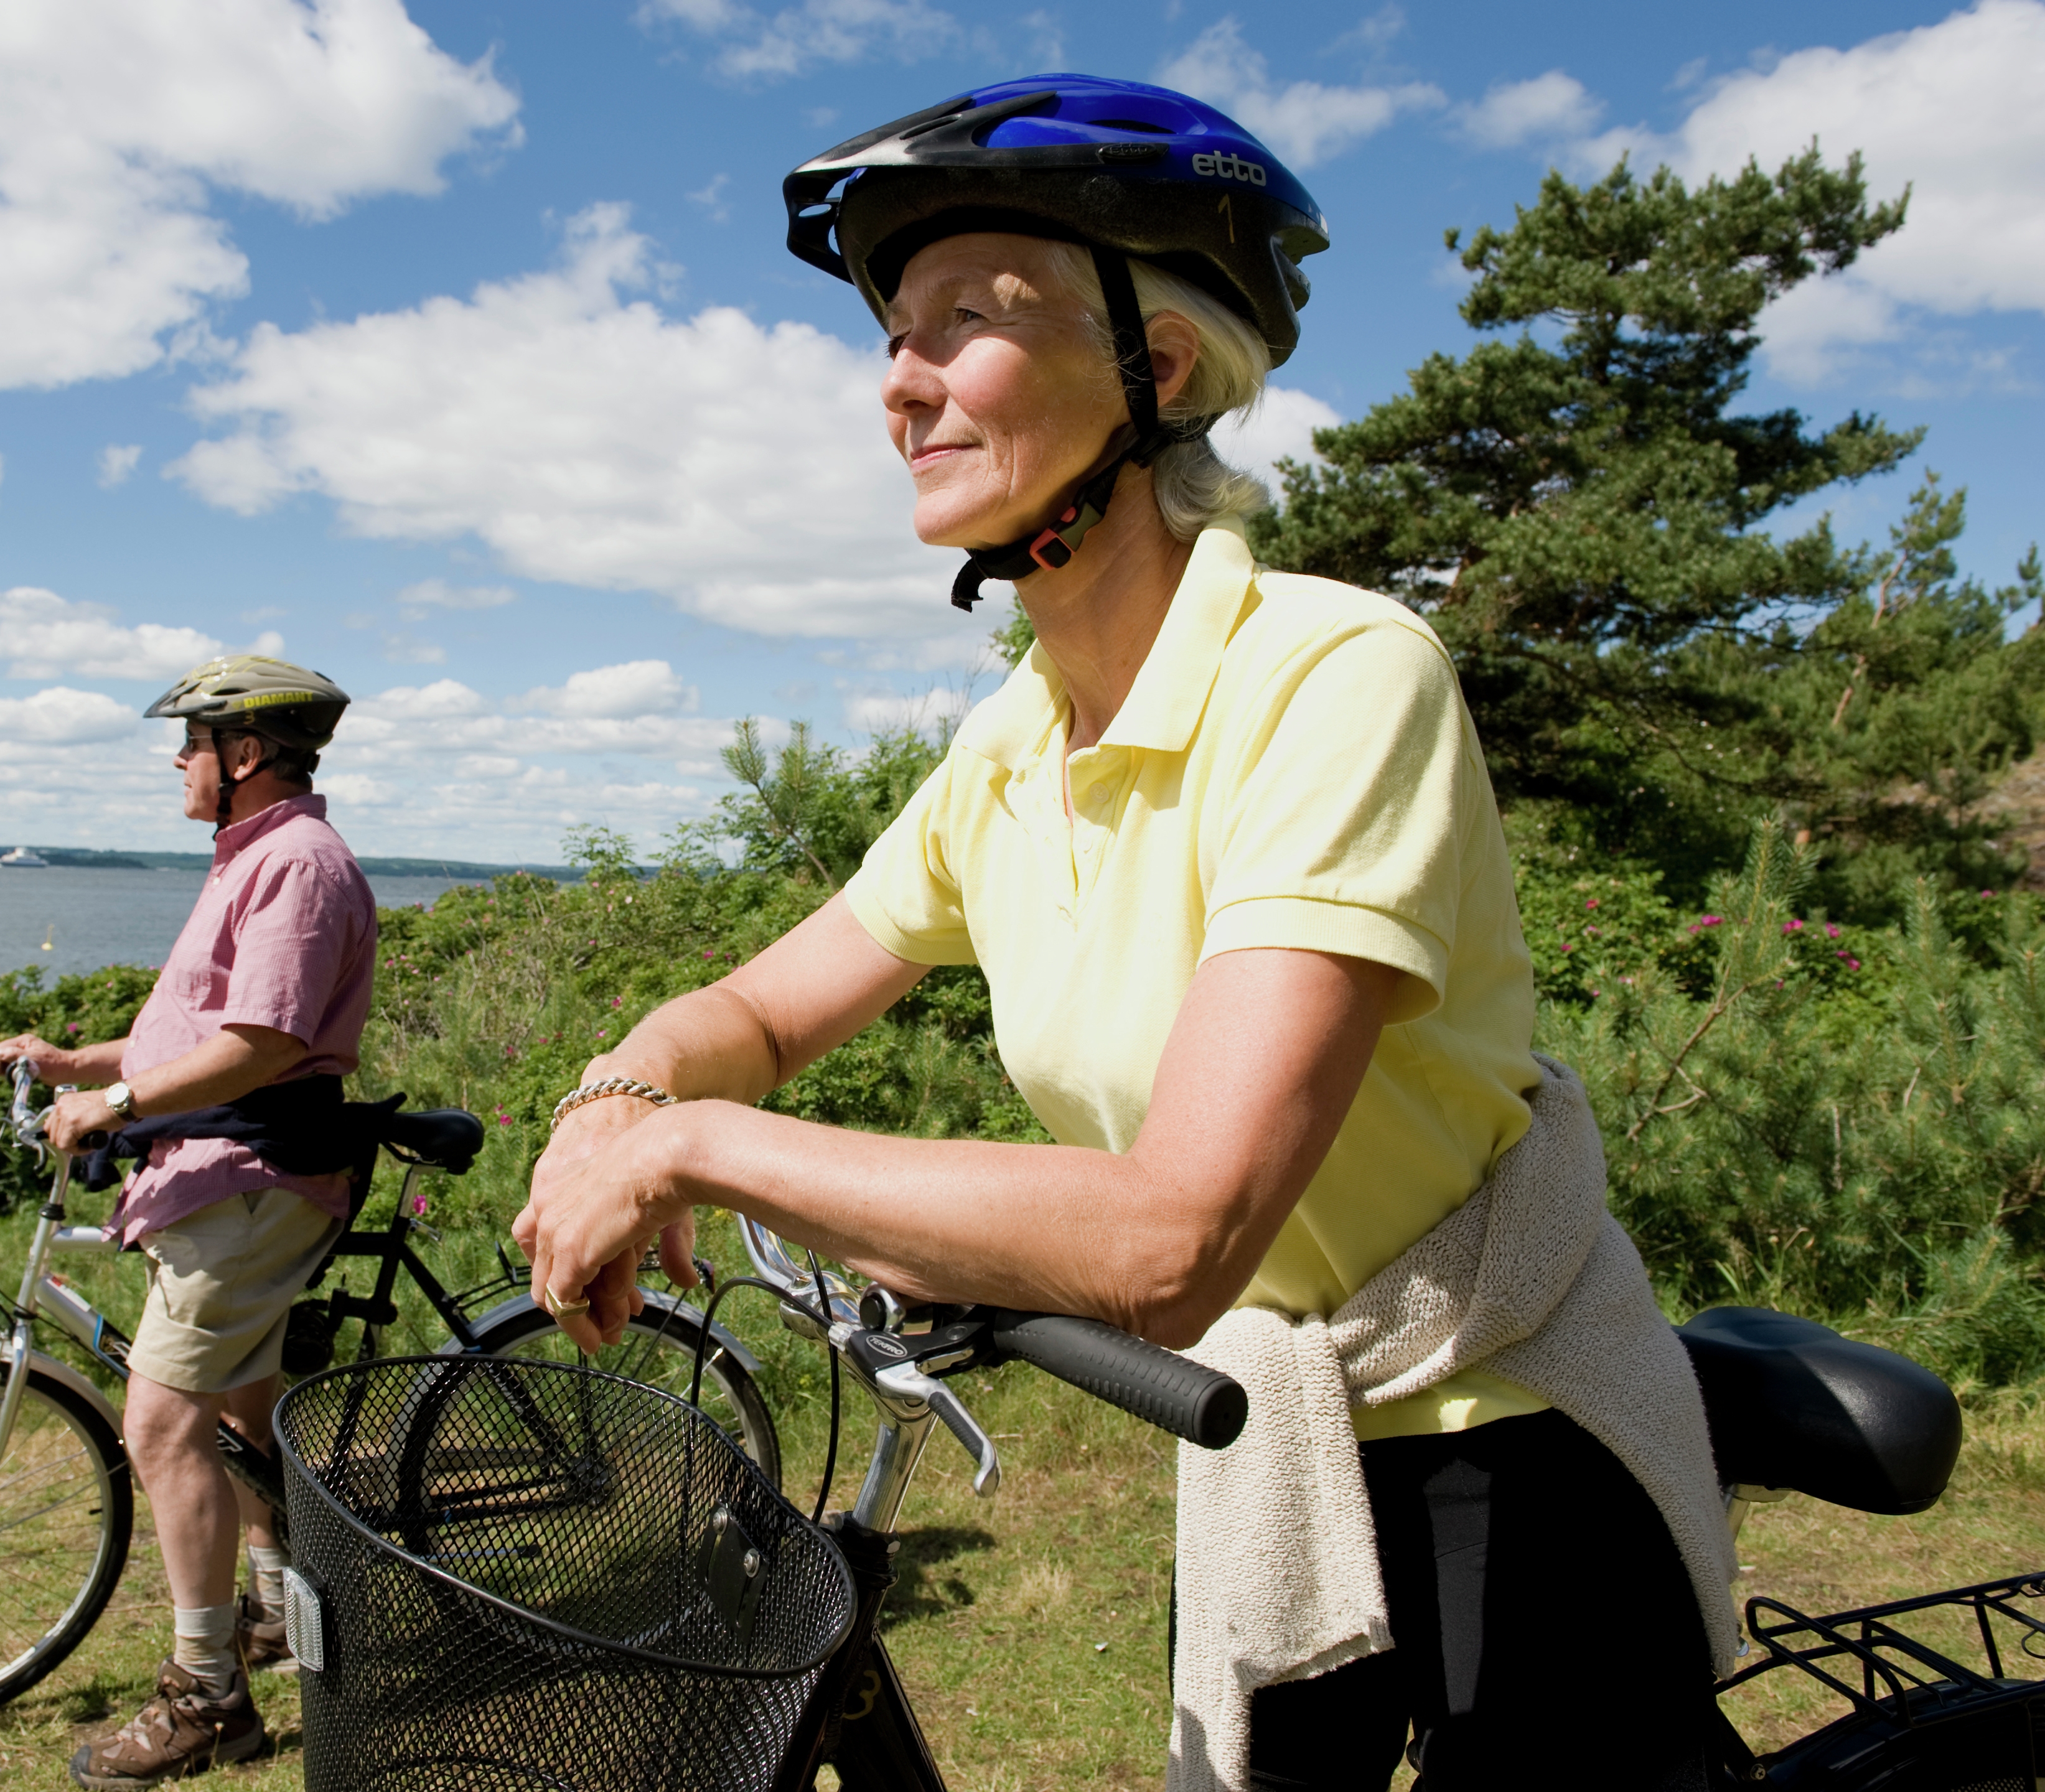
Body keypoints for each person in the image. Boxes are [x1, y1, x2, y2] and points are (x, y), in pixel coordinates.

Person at [517, 77, 1735, 1791]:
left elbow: (1178, 1237)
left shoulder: (1330, 677)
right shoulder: (1008, 751)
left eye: (973, 319)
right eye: (893, 333)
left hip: (1500, 1442)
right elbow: (759, 1009)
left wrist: (700, 1151)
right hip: (1263, 1441)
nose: (903, 379)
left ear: (1156, 369)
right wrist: (617, 1099)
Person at [0, 655, 378, 1790]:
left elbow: (259, 1045)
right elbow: (201, 1028)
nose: (177, 762)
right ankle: (268, 1613)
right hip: (220, 1168)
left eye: (191, 743)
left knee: (161, 1427)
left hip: (250, 1178)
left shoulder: (298, 865)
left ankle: (210, 1700)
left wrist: (111, 1103)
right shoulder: (252, 858)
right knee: (241, 1418)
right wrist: (81, 1061)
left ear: (243, 754)